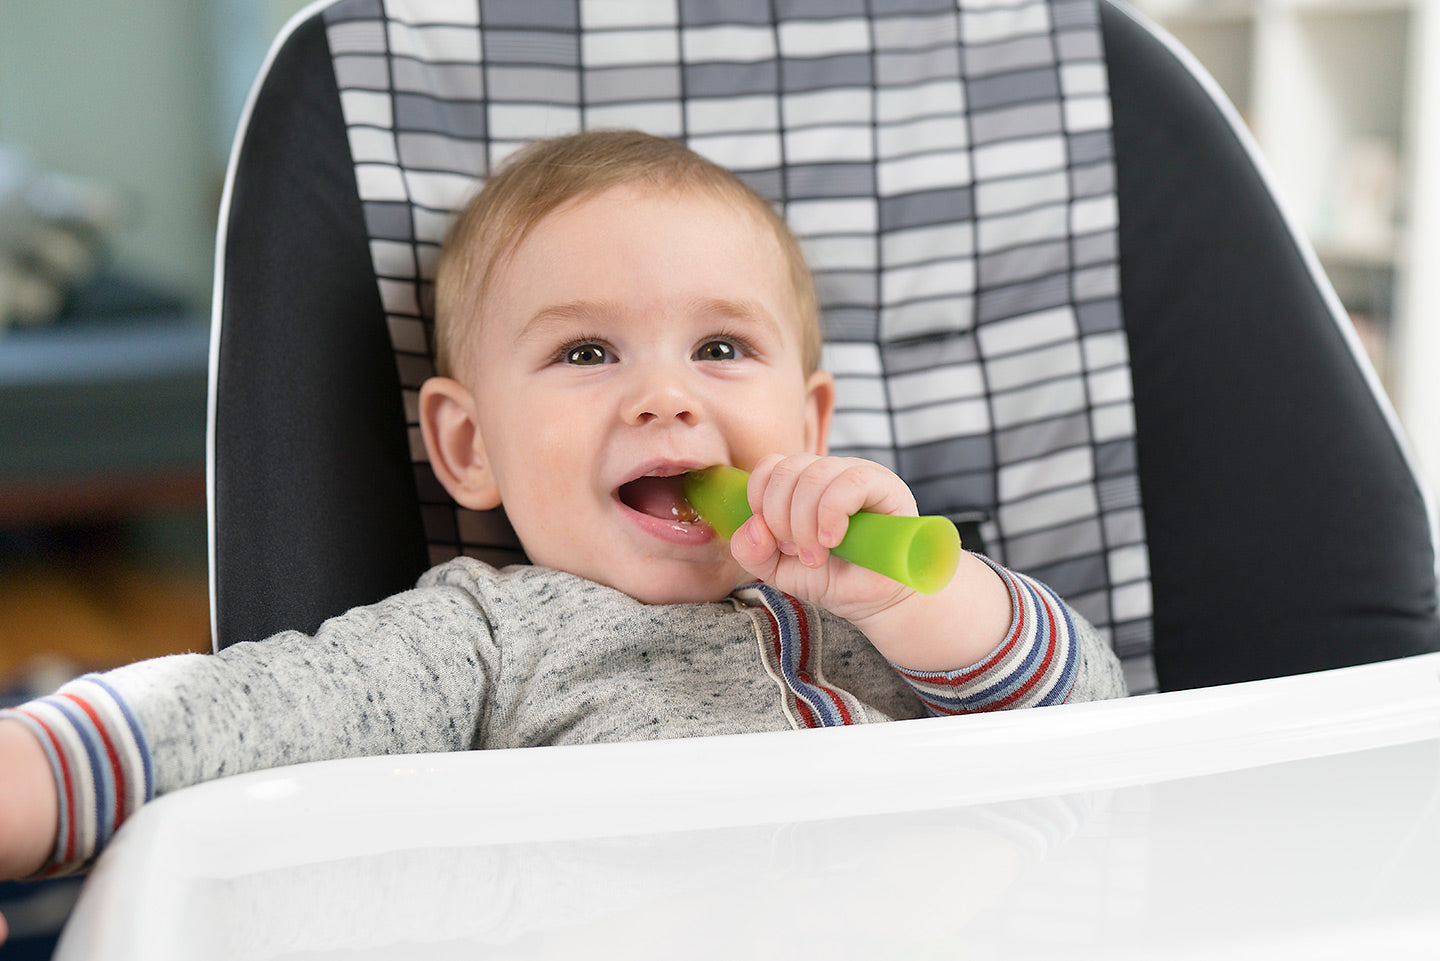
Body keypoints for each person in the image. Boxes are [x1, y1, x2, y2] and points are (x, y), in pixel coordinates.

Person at [0, 130, 1126, 911]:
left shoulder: (883, 606)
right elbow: (246, 711)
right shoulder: (490, 636)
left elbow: (1100, 741)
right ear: (469, 446)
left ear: (811, 421)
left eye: (722, 348)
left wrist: (930, 603)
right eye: (586, 351)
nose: (667, 396)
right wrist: (27, 774)